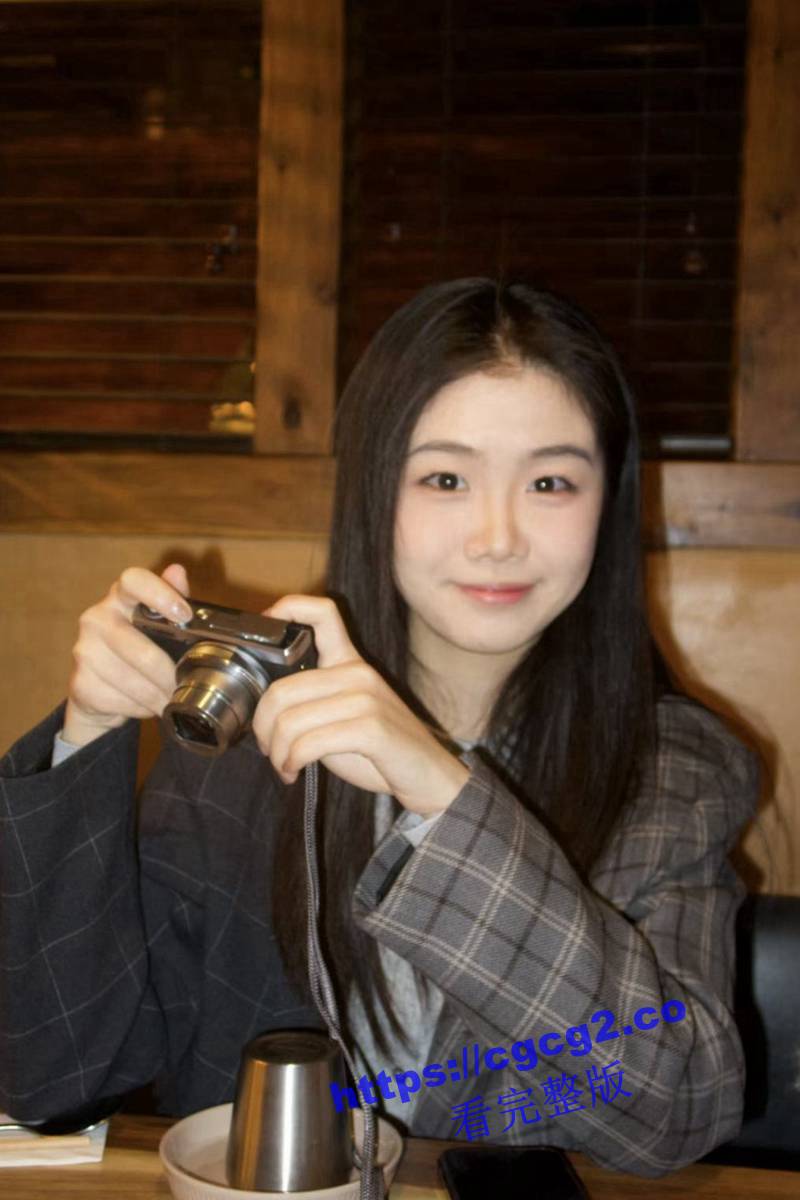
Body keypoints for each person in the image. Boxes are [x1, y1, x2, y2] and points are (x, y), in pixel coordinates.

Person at [0, 279, 758, 1177]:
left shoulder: (671, 769)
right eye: (445, 478)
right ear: (372, 491)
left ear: (609, 501)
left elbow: (679, 1108)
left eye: (551, 481)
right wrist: (86, 735)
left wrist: (441, 792)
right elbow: (51, 1078)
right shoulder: (246, 740)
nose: (498, 536)